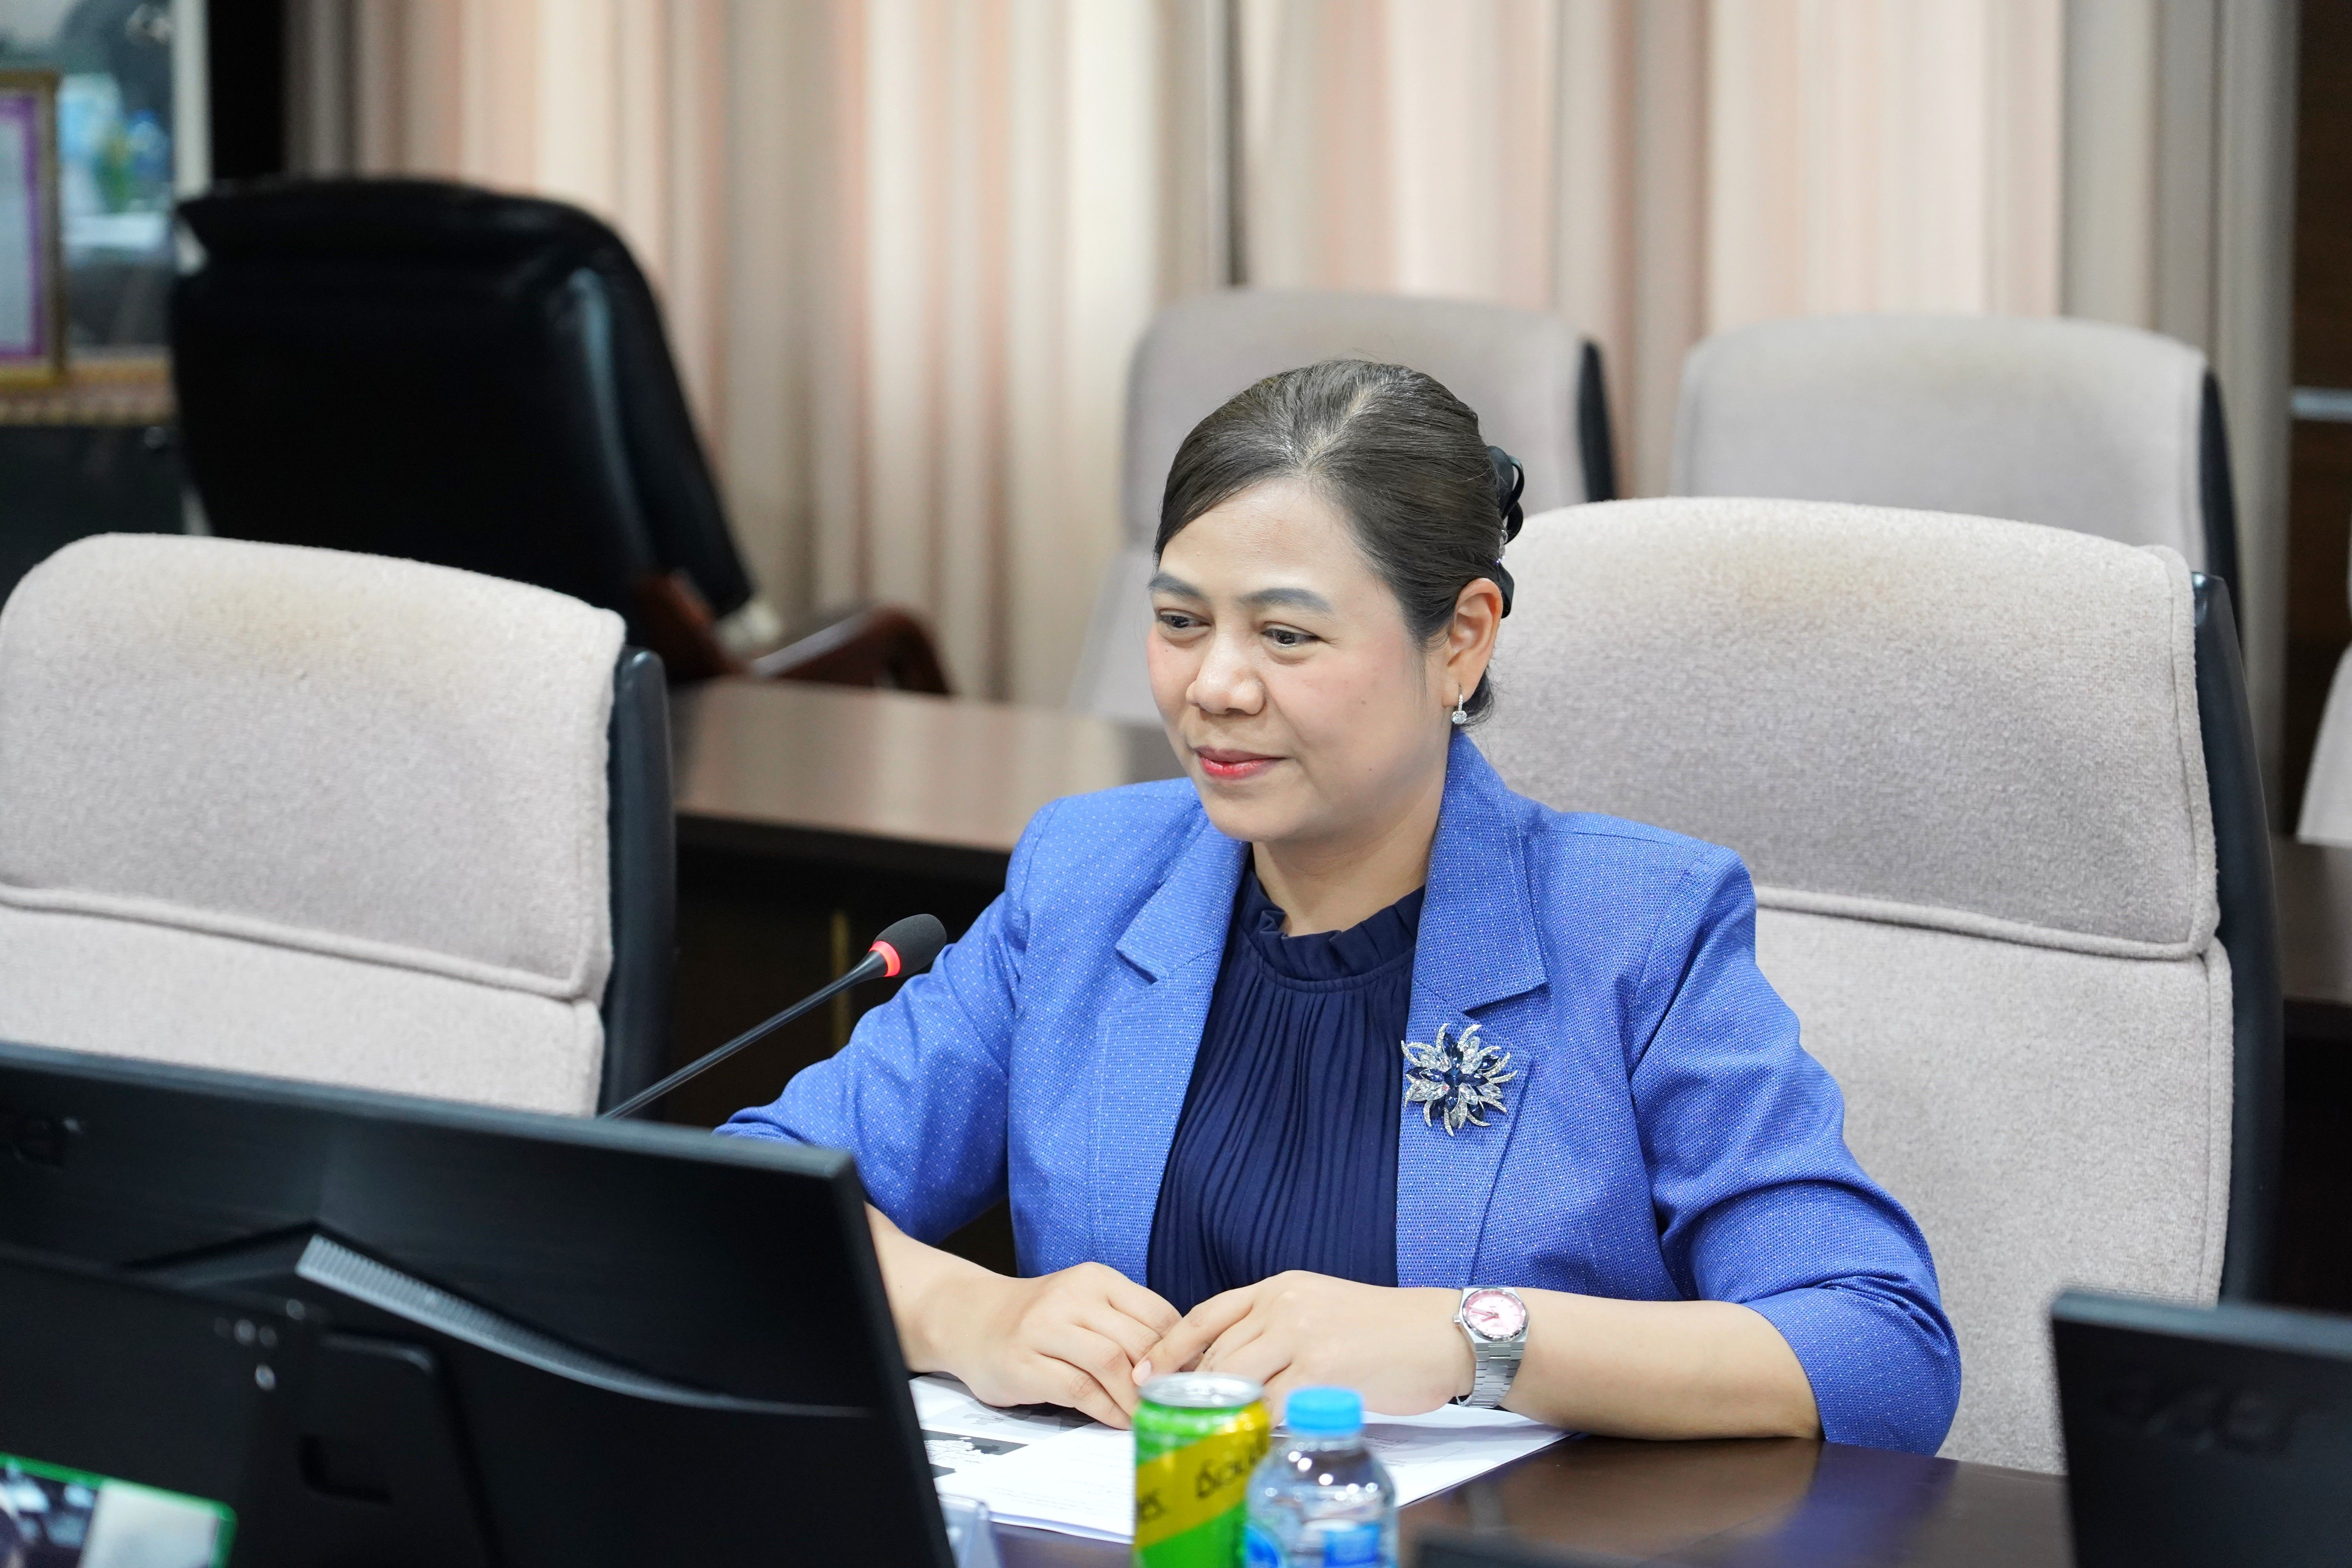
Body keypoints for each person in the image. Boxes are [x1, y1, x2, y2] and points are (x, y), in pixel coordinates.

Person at [721, 359, 1960, 1455]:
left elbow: (1876, 1349)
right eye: (1179, 622)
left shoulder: (1637, 927)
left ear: (1461, 639)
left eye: (1286, 636)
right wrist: (970, 1314)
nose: (1215, 685)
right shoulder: (1092, 878)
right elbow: (746, 1190)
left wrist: (1468, 1340)